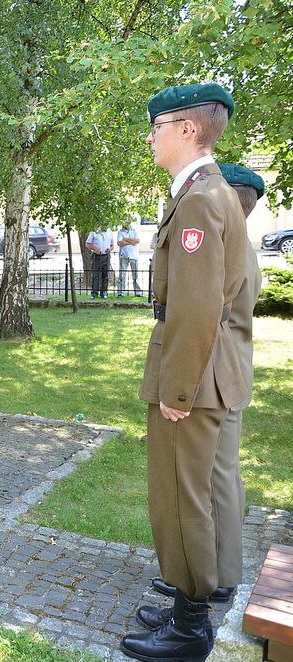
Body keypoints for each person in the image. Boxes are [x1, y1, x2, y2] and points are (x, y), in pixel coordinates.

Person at [120, 83, 246, 662]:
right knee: (188, 495)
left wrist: (177, 389)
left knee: (181, 498)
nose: (151, 136)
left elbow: (197, 307)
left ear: (187, 130)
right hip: (201, 368)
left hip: (191, 375)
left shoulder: (200, 198)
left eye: (158, 125)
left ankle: (191, 627)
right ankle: (188, 607)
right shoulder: (203, 192)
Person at [137, 164, 263, 629]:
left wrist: (180, 384)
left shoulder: (211, 223)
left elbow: (202, 311)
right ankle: (222, 574)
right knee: (221, 478)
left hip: (208, 369)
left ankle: (198, 590)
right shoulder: (243, 247)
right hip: (229, 371)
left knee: (195, 486)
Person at [85, 227, 115, 298]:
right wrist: (95, 248)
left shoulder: (110, 231)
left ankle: (104, 292)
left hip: (106, 256)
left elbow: (112, 245)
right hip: (97, 256)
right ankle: (94, 293)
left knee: (105, 275)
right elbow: (87, 244)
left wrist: (110, 249)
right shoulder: (94, 231)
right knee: (96, 275)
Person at [116, 221, 143, 297]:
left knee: (135, 275)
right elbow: (119, 243)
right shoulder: (120, 232)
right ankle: (121, 292)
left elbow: (137, 241)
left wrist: (126, 239)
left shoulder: (134, 230)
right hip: (123, 256)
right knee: (122, 275)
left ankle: (138, 292)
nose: (127, 224)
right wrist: (131, 242)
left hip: (134, 256)